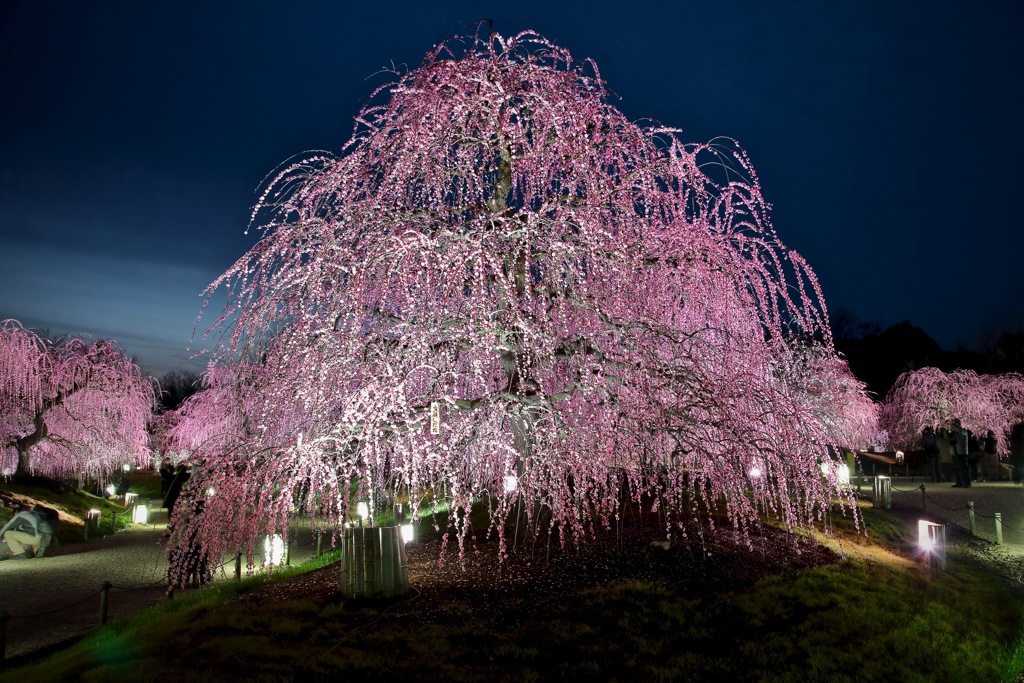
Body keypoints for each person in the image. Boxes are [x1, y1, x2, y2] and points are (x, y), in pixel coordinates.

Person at [944, 418, 970, 488]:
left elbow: (961, 431)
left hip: (961, 452)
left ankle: (966, 483)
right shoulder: (953, 433)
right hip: (954, 452)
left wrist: (953, 425)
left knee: (963, 468)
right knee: (957, 468)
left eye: (955, 423)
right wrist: (945, 429)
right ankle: (959, 482)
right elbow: (947, 438)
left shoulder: (963, 431)